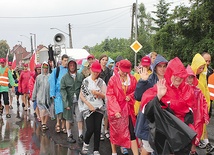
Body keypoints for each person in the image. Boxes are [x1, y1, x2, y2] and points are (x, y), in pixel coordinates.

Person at [140, 57, 196, 154]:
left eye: (181, 75)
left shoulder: (187, 89)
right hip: (165, 135)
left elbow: (192, 112)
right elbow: (147, 110)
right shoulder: (161, 86)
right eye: (175, 75)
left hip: (182, 135)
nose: (178, 78)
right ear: (170, 73)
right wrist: (158, 97)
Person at [134, 54, 168, 155]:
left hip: (163, 120)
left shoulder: (170, 80)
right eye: (160, 66)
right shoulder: (148, 80)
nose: (162, 69)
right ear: (155, 67)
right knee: (149, 147)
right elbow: (138, 96)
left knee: (157, 148)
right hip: (148, 120)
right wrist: (142, 81)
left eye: (164, 66)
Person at [106, 59, 138, 155]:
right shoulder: (113, 80)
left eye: (126, 72)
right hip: (116, 110)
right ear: (118, 68)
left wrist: (131, 96)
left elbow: (136, 91)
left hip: (128, 109)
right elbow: (110, 95)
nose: (124, 73)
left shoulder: (132, 79)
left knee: (131, 132)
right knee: (115, 131)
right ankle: (114, 152)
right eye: (123, 71)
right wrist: (116, 110)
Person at [79, 61, 106, 155]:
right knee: (90, 129)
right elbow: (81, 95)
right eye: (94, 71)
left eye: (98, 72)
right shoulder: (86, 81)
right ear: (91, 70)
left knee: (97, 129)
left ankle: (96, 149)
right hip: (88, 108)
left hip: (99, 108)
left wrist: (99, 94)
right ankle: (85, 145)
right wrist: (89, 105)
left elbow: (105, 95)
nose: (96, 73)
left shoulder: (101, 82)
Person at [190, 53, 214, 153]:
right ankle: (194, 147)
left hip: (202, 105)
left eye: (208, 62)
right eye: (200, 67)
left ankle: (203, 143)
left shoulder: (205, 74)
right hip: (192, 107)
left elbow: (205, 91)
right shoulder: (190, 75)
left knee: (201, 125)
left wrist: (206, 106)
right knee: (193, 127)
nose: (202, 68)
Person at [186, 65, 210, 155]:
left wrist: (205, 115)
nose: (189, 80)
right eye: (187, 77)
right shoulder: (181, 90)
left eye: (191, 77)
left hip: (196, 118)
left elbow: (204, 103)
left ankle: (193, 151)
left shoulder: (197, 91)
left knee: (196, 135)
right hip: (186, 118)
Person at [60, 58, 84, 143]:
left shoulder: (80, 76)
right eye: (70, 65)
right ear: (68, 67)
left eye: (74, 65)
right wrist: (66, 103)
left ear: (76, 66)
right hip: (69, 101)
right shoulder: (64, 78)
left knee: (80, 118)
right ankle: (69, 135)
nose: (72, 67)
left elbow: (84, 87)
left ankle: (81, 135)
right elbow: (62, 90)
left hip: (79, 100)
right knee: (68, 118)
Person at [49, 54, 69, 133]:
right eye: (65, 60)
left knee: (65, 111)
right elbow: (52, 81)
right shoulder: (57, 70)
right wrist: (52, 93)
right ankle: (58, 124)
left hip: (66, 94)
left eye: (67, 60)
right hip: (58, 94)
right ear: (61, 60)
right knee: (59, 110)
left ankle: (63, 126)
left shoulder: (69, 70)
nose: (66, 62)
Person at [32, 62, 50, 132]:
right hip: (40, 97)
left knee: (47, 111)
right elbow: (35, 88)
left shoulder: (50, 76)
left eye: (46, 68)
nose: (45, 69)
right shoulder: (38, 77)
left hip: (48, 98)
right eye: (44, 68)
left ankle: (45, 123)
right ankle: (43, 123)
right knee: (42, 110)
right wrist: (33, 97)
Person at [98, 54, 113, 141]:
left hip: (107, 93)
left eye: (106, 60)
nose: (104, 61)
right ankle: (99, 131)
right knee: (100, 112)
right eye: (103, 59)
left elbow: (111, 82)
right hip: (99, 93)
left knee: (106, 113)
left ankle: (106, 130)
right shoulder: (97, 70)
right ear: (100, 60)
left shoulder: (109, 71)